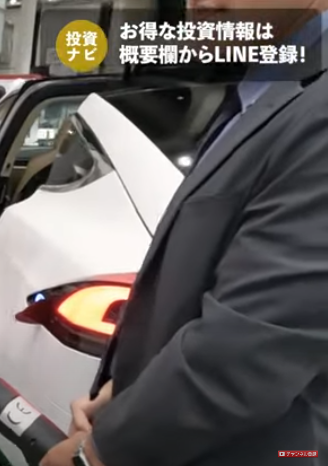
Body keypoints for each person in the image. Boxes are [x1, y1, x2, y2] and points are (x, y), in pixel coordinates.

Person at [40, 3, 328, 466]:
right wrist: (123, 392)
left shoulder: (315, 109)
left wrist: (94, 454)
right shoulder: (260, 94)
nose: (200, 2)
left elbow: (248, 353)